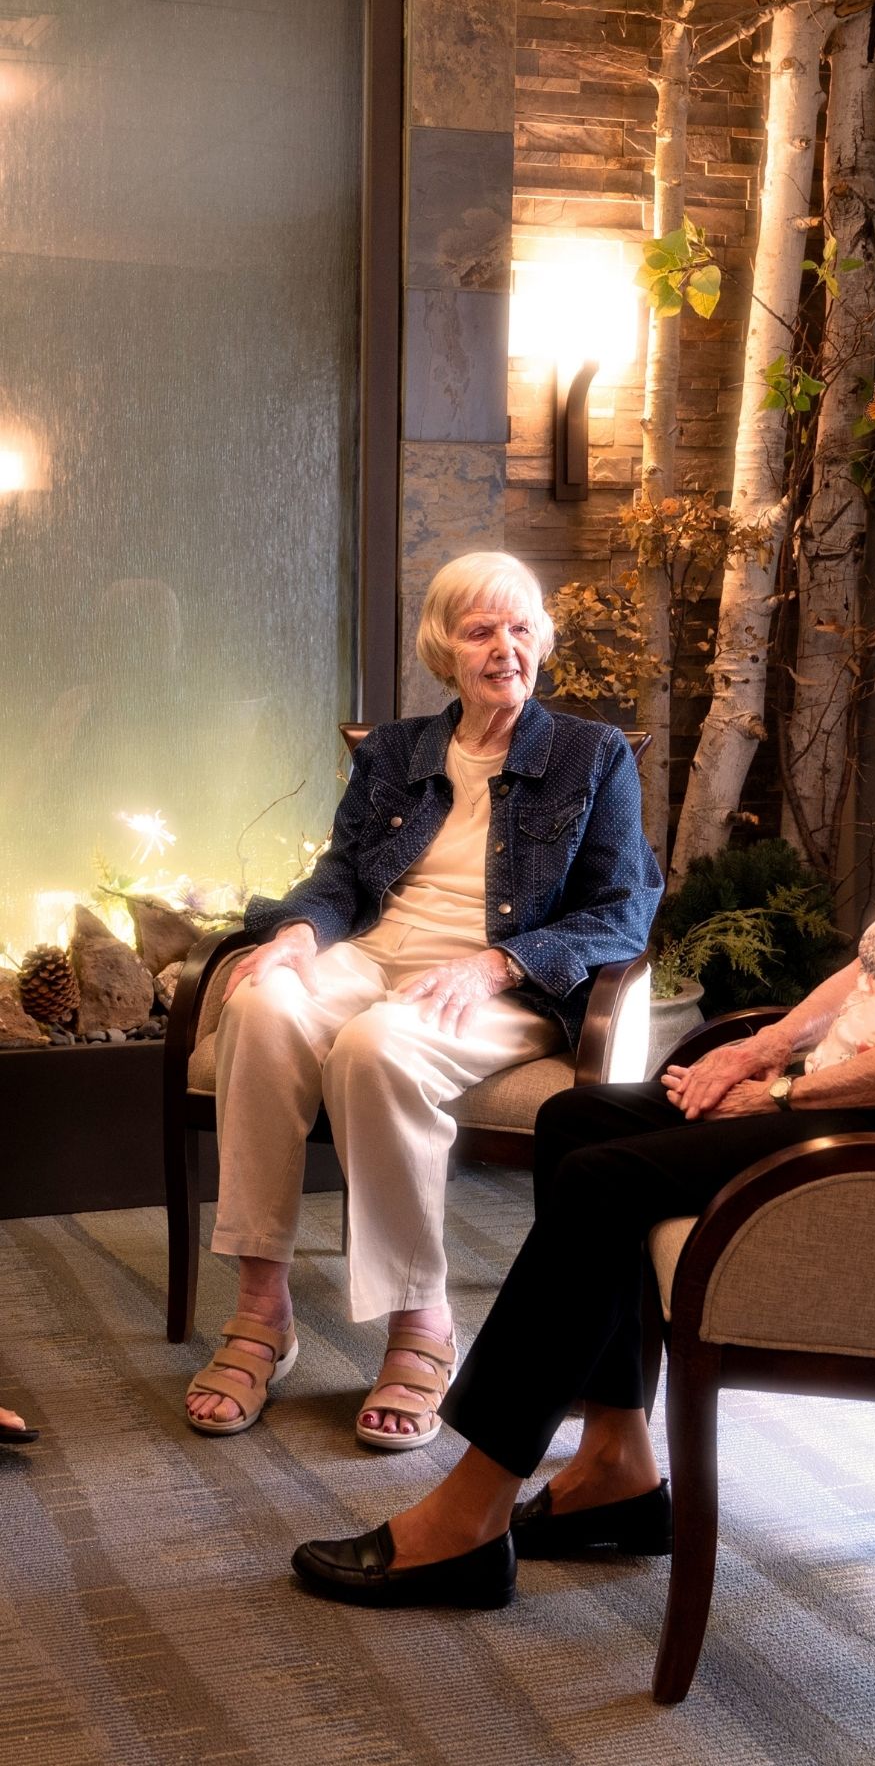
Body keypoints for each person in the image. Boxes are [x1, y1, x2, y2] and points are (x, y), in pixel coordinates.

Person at [289, 539, 875, 1606]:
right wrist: (763, 1045)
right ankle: (616, 1467)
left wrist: (781, 1093)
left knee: (604, 1179)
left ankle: (467, 1511)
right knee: (582, 1122)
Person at [185, 551, 661, 1447]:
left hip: (499, 976)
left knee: (376, 1046)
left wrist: (498, 964)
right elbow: (340, 874)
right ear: (444, 649)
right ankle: (262, 1308)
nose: (505, 649)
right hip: (377, 952)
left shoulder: (589, 756)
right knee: (259, 1001)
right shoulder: (399, 751)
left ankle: (421, 1322)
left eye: (521, 629)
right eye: (481, 631)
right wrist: (297, 935)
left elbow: (624, 909)